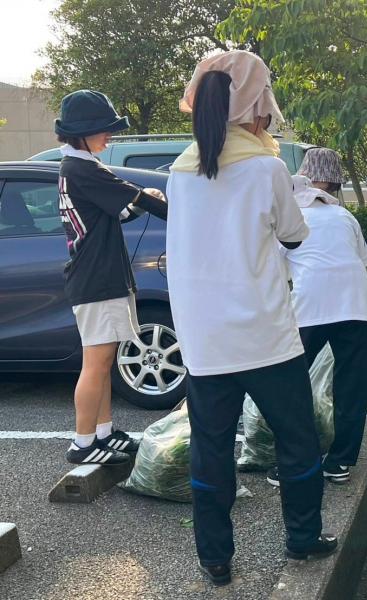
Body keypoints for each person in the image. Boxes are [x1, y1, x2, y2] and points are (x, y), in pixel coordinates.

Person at [165, 51, 336, 586]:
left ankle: (215, 559)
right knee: (297, 440)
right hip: (264, 337)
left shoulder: (179, 170)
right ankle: (303, 538)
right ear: (256, 106)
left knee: (211, 449)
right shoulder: (267, 167)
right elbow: (293, 234)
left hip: (204, 342)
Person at [55, 90, 168, 467]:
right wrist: (171, 204)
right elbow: (142, 201)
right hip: (97, 277)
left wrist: (139, 198)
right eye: (103, 129)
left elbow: (120, 211)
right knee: (97, 361)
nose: (109, 136)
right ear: (81, 133)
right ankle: (83, 441)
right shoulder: (83, 169)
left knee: (103, 359)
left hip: (97, 274)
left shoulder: (78, 168)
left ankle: (103, 433)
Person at [272, 146, 367, 485]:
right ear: (335, 182)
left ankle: (294, 461)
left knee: (291, 385)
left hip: (309, 307)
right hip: (355, 307)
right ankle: (340, 462)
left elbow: (274, 268)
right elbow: (363, 261)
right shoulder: (345, 216)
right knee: (351, 386)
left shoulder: (291, 216)